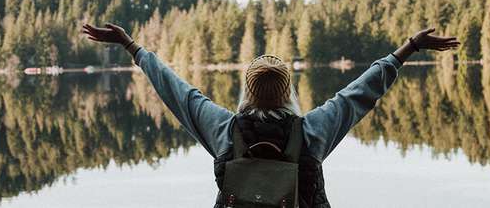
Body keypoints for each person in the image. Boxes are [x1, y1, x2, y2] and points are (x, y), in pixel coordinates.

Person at [82, 22, 459, 207]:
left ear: (246, 91)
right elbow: (361, 92)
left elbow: (175, 89)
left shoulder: (224, 131)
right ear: (289, 93)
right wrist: (410, 47)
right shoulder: (312, 130)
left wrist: (130, 45)